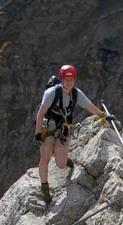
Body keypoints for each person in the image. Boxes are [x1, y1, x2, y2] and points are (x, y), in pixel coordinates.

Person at [34, 64, 111, 202]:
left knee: (61, 164)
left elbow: (90, 106)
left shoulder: (76, 93)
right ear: (61, 79)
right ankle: (44, 186)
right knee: (45, 158)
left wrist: (104, 116)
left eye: (71, 79)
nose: (69, 82)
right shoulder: (51, 93)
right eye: (66, 79)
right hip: (49, 129)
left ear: (74, 80)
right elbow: (41, 114)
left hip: (64, 129)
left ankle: (62, 157)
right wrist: (38, 133)